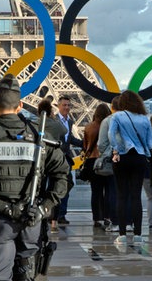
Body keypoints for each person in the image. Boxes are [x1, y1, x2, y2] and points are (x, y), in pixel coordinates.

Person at [0, 74, 69, 280]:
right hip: (31, 221)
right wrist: (43, 208)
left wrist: (6, 208)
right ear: (20, 105)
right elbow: (62, 176)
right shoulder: (40, 138)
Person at [109, 90, 152, 245]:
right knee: (136, 196)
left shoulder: (117, 116)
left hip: (122, 156)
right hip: (139, 157)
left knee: (121, 195)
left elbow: (111, 135)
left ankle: (121, 235)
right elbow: (150, 144)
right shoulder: (145, 119)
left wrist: (116, 149)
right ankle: (138, 234)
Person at [37, 99, 66, 233]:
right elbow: (65, 130)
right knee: (55, 187)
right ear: (51, 110)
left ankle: (39, 216)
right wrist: (55, 118)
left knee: (40, 188)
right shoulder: (55, 124)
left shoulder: (35, 123)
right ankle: (54, 220)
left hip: (40, 159)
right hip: (54, 159)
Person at [54, 95, 83, 225]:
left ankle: (61, 214)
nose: (66, 107)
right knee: (54, 187)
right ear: (58, 106)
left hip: (65, 159)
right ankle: (53, 214)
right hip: (54, 160)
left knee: (66, 186)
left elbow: (70, 139)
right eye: (64, 105)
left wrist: (86, 144)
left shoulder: (70, 122)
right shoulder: (53, 121)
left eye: (68, 105)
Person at [83, 103, 111, 228]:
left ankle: (97, 218)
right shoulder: (110, 126)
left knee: (96, 191)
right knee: (109, 190)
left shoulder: (89, 127)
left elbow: (85, 146)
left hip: (92, 161)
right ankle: (107, 216)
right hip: (106, 160)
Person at [97, 96, 120, 232]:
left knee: (112, 191)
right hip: (128, 158)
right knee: (126, 192)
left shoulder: (107, 121)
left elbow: (101, 144)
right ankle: (128, 222)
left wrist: (106, 153)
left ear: (112, 107)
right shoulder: (129, 119)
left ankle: (115, 221)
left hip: (112, 158)